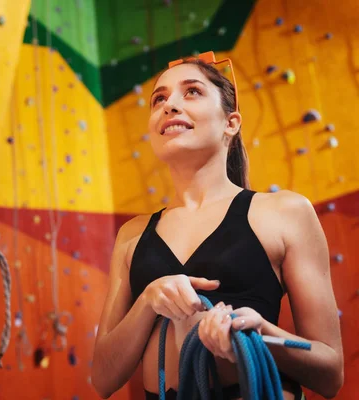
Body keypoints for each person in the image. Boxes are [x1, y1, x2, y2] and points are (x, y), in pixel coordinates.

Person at [90, 52, 344, 400]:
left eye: (191, 91)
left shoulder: (285, 212)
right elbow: (103, 380)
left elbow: (331, 374)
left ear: (231, 122)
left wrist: (261, 332)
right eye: (159, 99)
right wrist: (148, 300)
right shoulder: (132, 235)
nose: (170, 105)